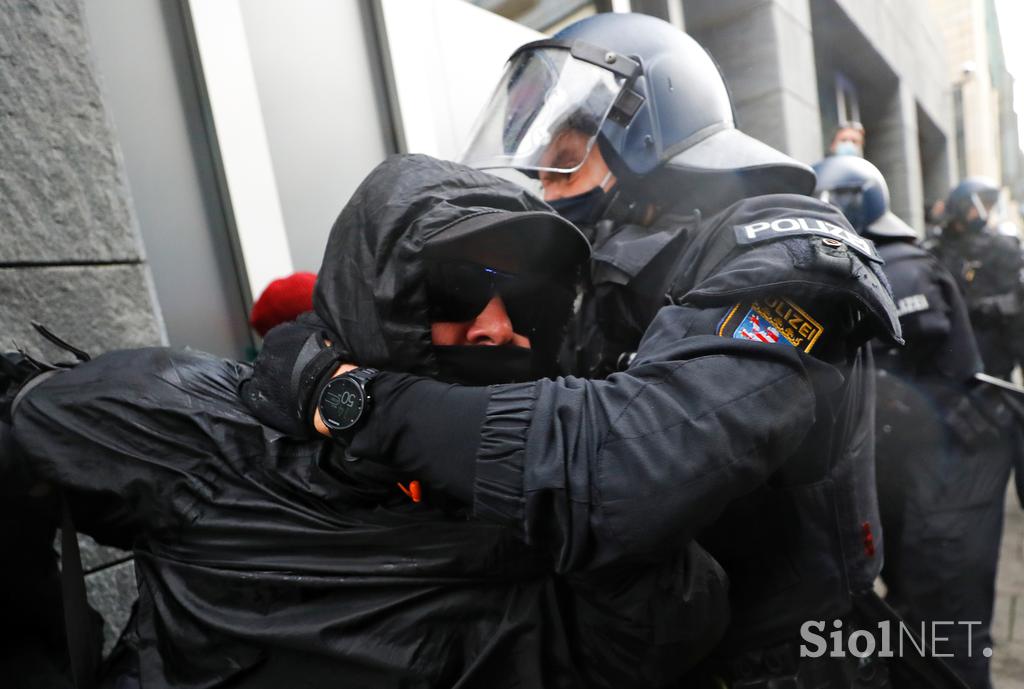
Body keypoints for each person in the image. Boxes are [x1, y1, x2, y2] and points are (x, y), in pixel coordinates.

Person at [247, 14, 903, 688]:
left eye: (563, 154)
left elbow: (630, 467)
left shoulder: (788, 253)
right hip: (660, 644)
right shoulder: (599, 277)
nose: (545, 183)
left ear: (648, 139)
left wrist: (349, 394)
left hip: (791, 658)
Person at [2, 155, 728, 688]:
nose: (495, 326)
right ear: (378, 296)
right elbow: (19, 425)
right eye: (459, 289)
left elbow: (665, 625)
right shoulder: (207, 433)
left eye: (530, 300)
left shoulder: (551, 511)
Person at [814, 156, 1014, 689]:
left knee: (951, 624)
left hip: (957, 466)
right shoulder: (878, 257)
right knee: (914, 611)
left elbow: (902, 349)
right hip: (923, 466)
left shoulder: (899, 266)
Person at [931, 177, 1024, 381]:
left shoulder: (1002, 247)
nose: (985, 211)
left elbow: (1017, 300)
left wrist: (990, 307)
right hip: (952, 359)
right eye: (980, 204)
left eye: (989, 205)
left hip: (994, 356)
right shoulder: (937, 249)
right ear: (963, 205)